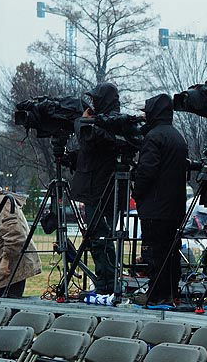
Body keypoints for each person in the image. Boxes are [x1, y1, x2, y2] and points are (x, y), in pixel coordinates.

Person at [130, 94, 188, 306]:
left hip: (155, 207)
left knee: (155, 253)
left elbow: (147, 171)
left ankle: (154, 294)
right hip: (175, 206)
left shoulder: (154, 137)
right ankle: (172, 292)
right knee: (171, 252)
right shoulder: (177, 136)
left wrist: (136, 192)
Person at [70, 82, 120, 294]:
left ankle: (107, 284)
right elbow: (90, 152)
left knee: (101, 239)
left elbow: (91, 140)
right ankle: (105, 282)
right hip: (95, 190)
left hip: (101, 192)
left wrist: (82, 122)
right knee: (98, 239)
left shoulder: (110, 124)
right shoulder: (101, 124)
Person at [0, 179, 42, 298]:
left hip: (9, 269)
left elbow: (15, 236)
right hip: (6, 270)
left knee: (7, 308)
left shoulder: (2, 203)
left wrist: (5, 261)